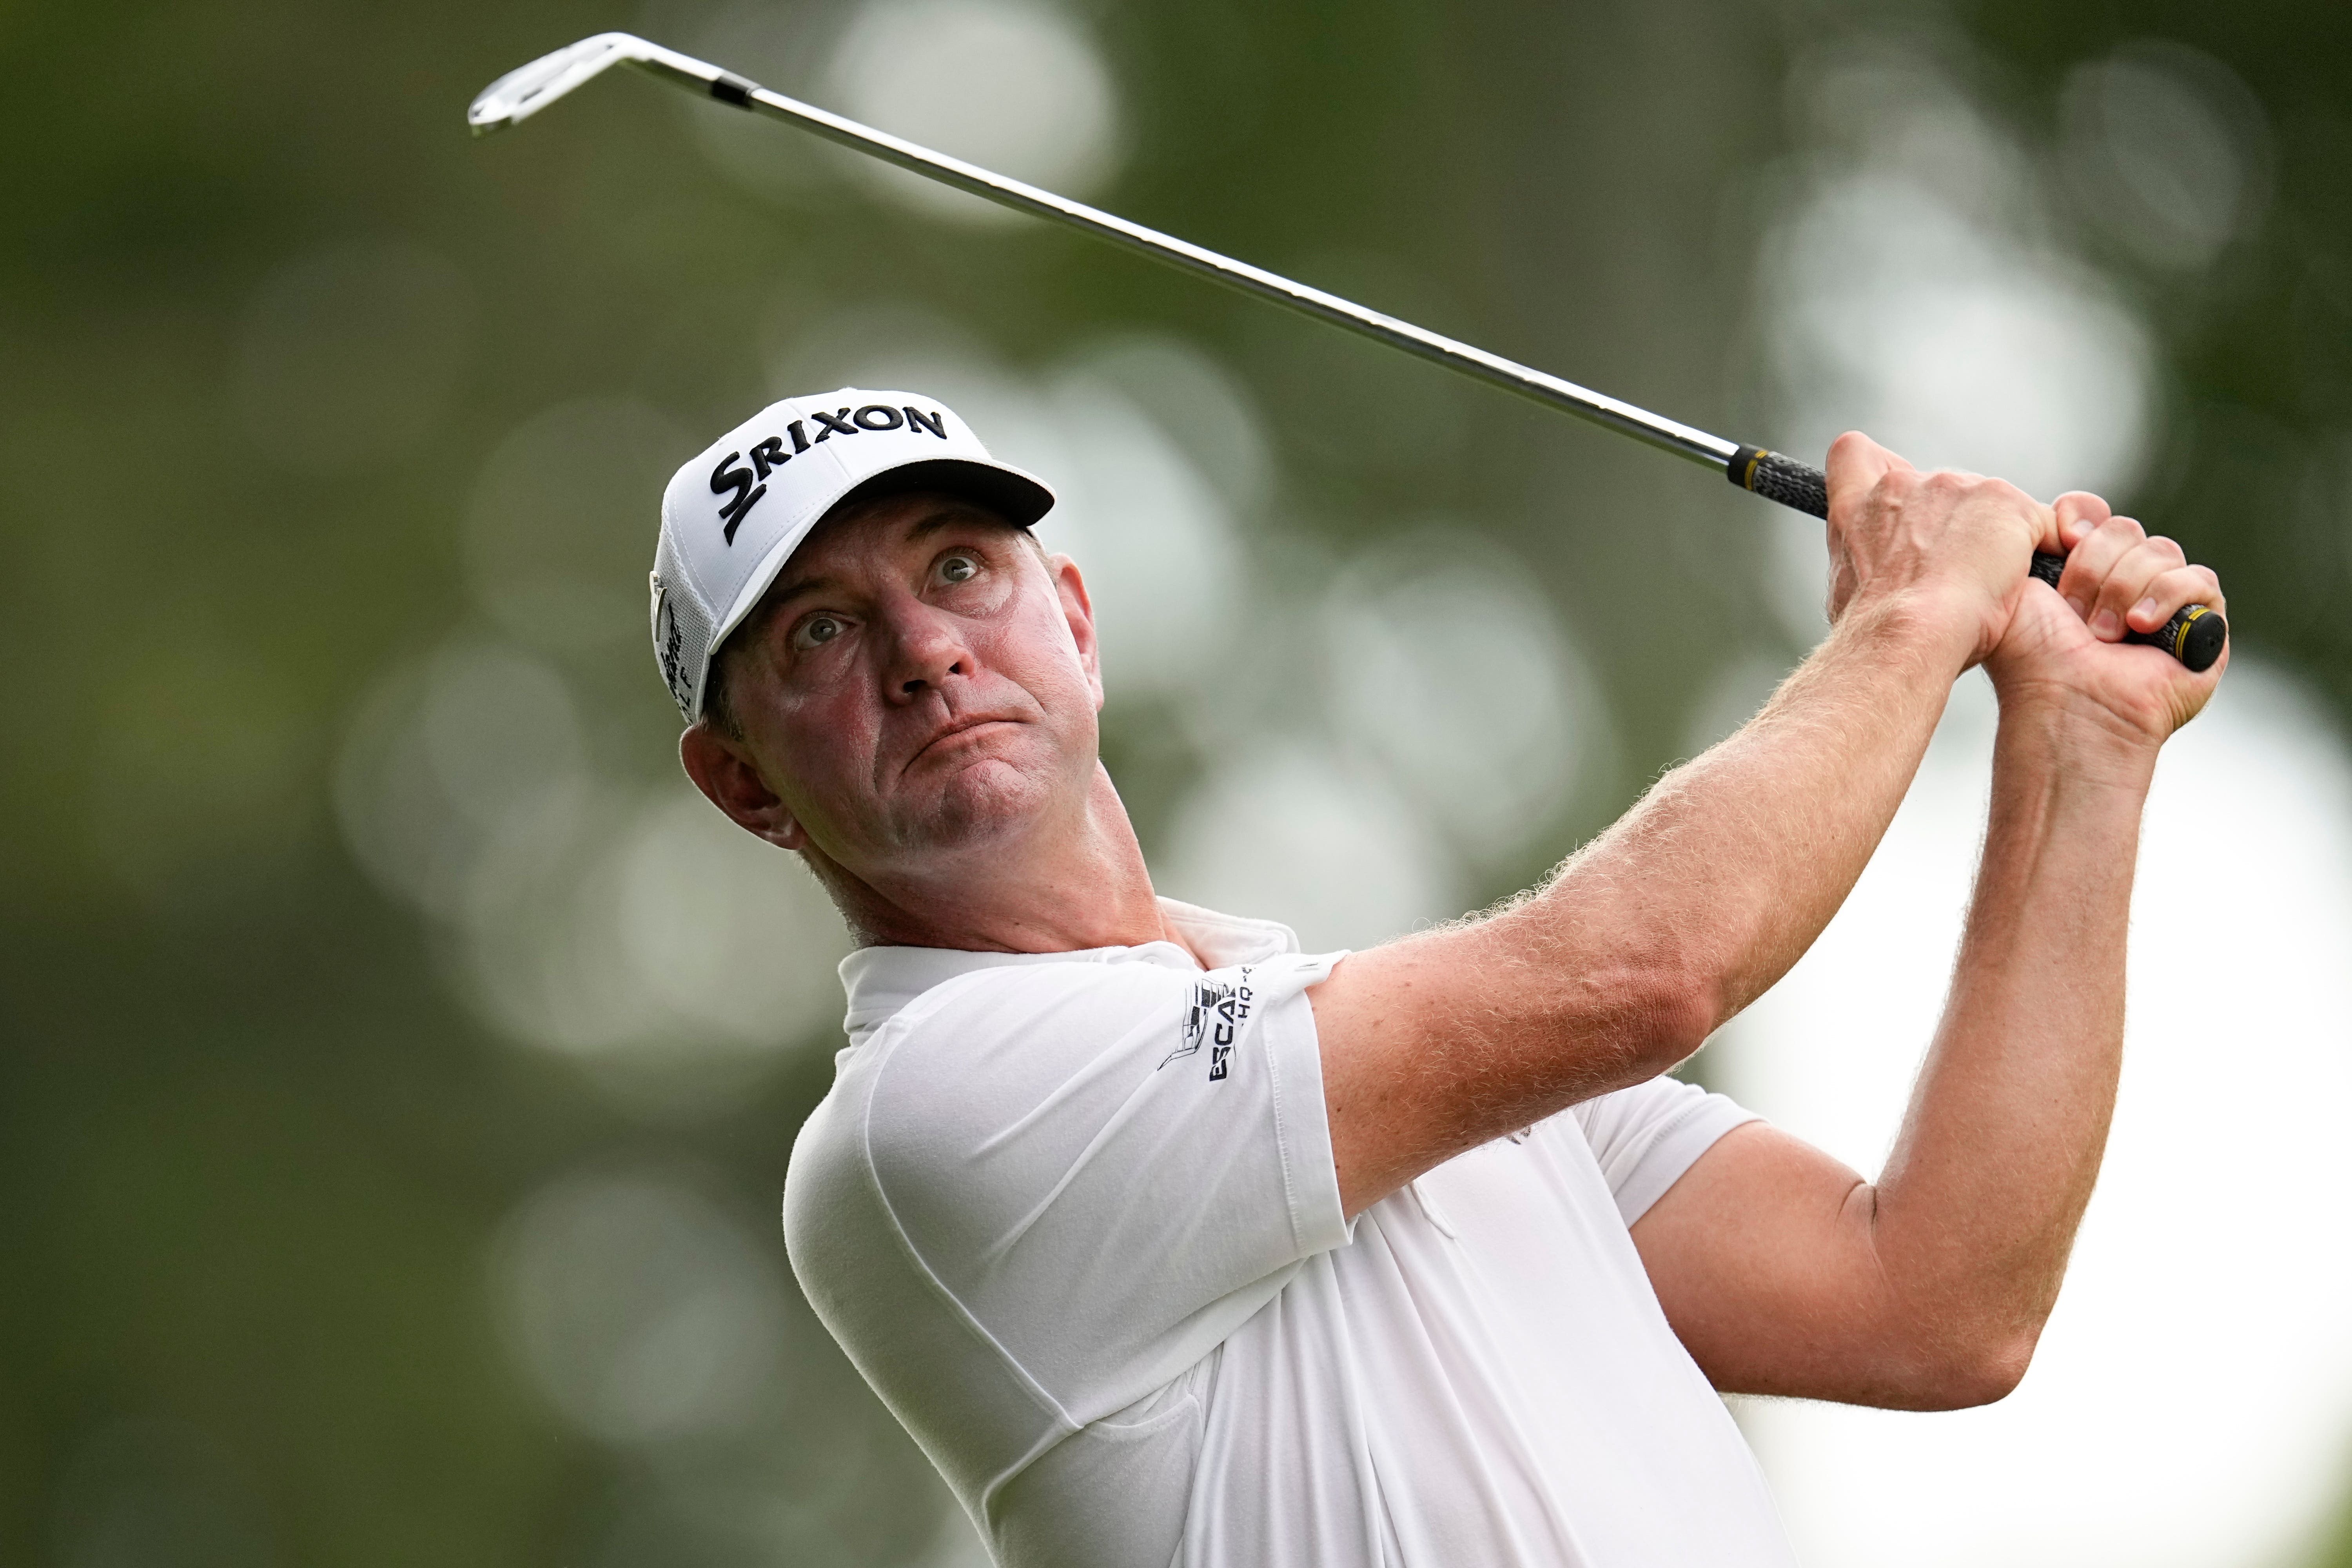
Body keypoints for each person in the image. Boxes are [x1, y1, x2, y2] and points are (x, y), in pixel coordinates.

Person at [653, 387, 2226, 1567]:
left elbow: (1935, 1303)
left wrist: (2082, 747)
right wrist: (1914, 610)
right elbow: (1648, 969)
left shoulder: (1384, 1060)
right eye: (818, 634)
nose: (924, 650)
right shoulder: (927, 1118)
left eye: (959, 570)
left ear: (1072, 617)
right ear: (744, 788)